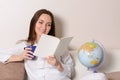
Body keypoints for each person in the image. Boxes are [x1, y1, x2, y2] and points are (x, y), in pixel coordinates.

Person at [0, 9, 75, 80]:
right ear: (34, 23)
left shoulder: (58, 44)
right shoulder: (25, 45)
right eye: (41, 22)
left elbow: (71, 72)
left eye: (48, 25)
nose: (44, 27)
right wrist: (20, 57)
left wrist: (58, 65)